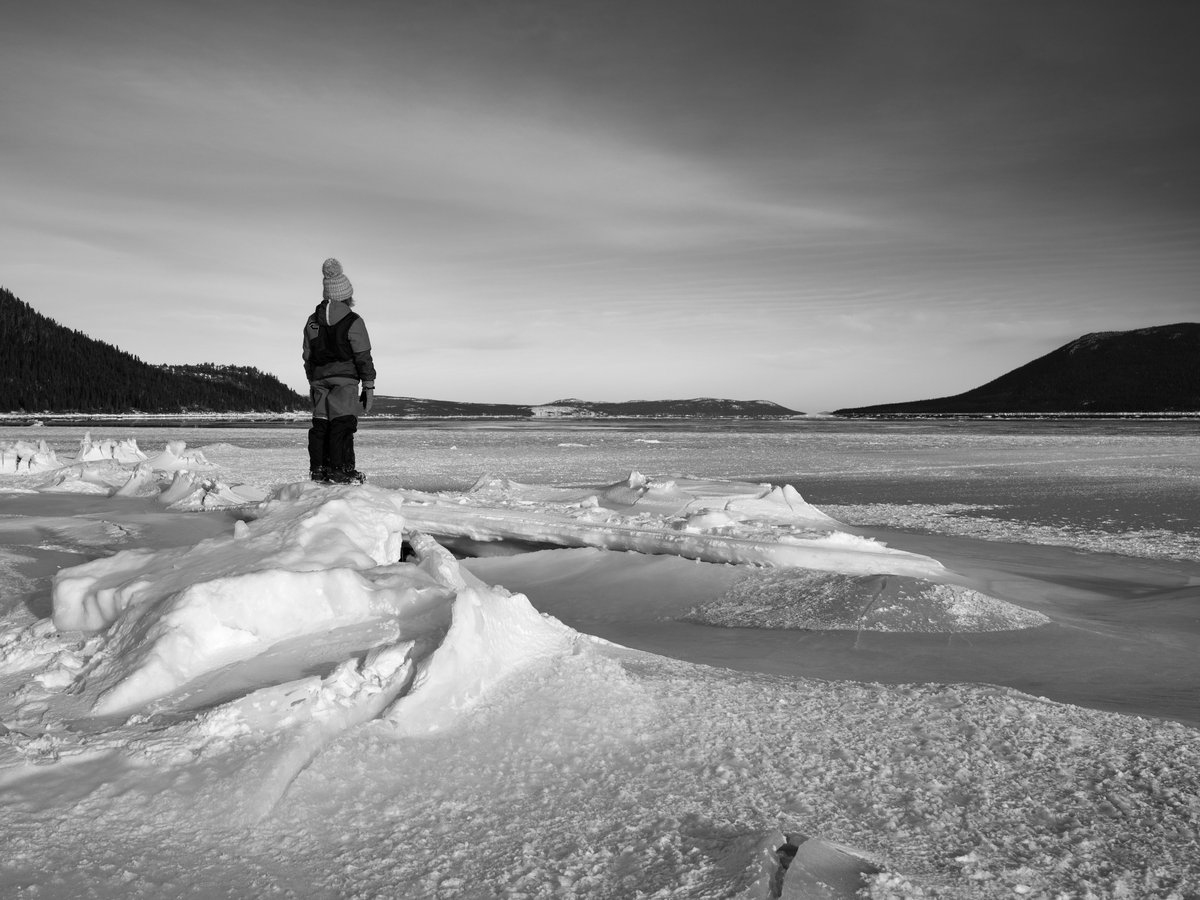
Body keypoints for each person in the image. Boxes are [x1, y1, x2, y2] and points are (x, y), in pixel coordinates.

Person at [303, 257, 376, 483]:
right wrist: (369, 385)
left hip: (319, 381)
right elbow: (363, 356)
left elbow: (307, 355)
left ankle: (319, 469)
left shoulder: (312, 322)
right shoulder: (353, 321)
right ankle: (340, 470)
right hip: (345, 381)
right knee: (342, 424)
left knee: (321, 424)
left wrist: (312, 380)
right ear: (347, 295)